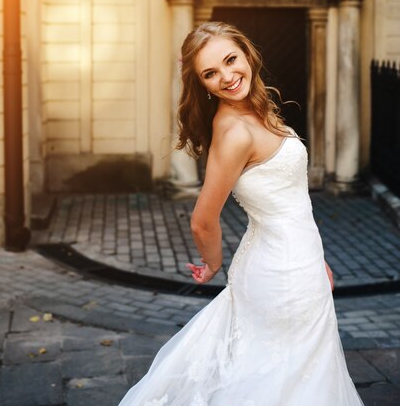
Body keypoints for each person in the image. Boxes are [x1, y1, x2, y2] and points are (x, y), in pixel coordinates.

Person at [118, 21, 364, 405]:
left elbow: (292, 202)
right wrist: (212, 263)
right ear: (201, 83)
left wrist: (318, 259)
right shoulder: (234, 132)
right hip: (281, 276)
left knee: (294, 374)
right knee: (287, 380)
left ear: (247, 54)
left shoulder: (256, 109)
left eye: (231, 60)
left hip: (297, 262)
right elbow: (202, 219)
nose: (228, 77)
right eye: (210, 74)